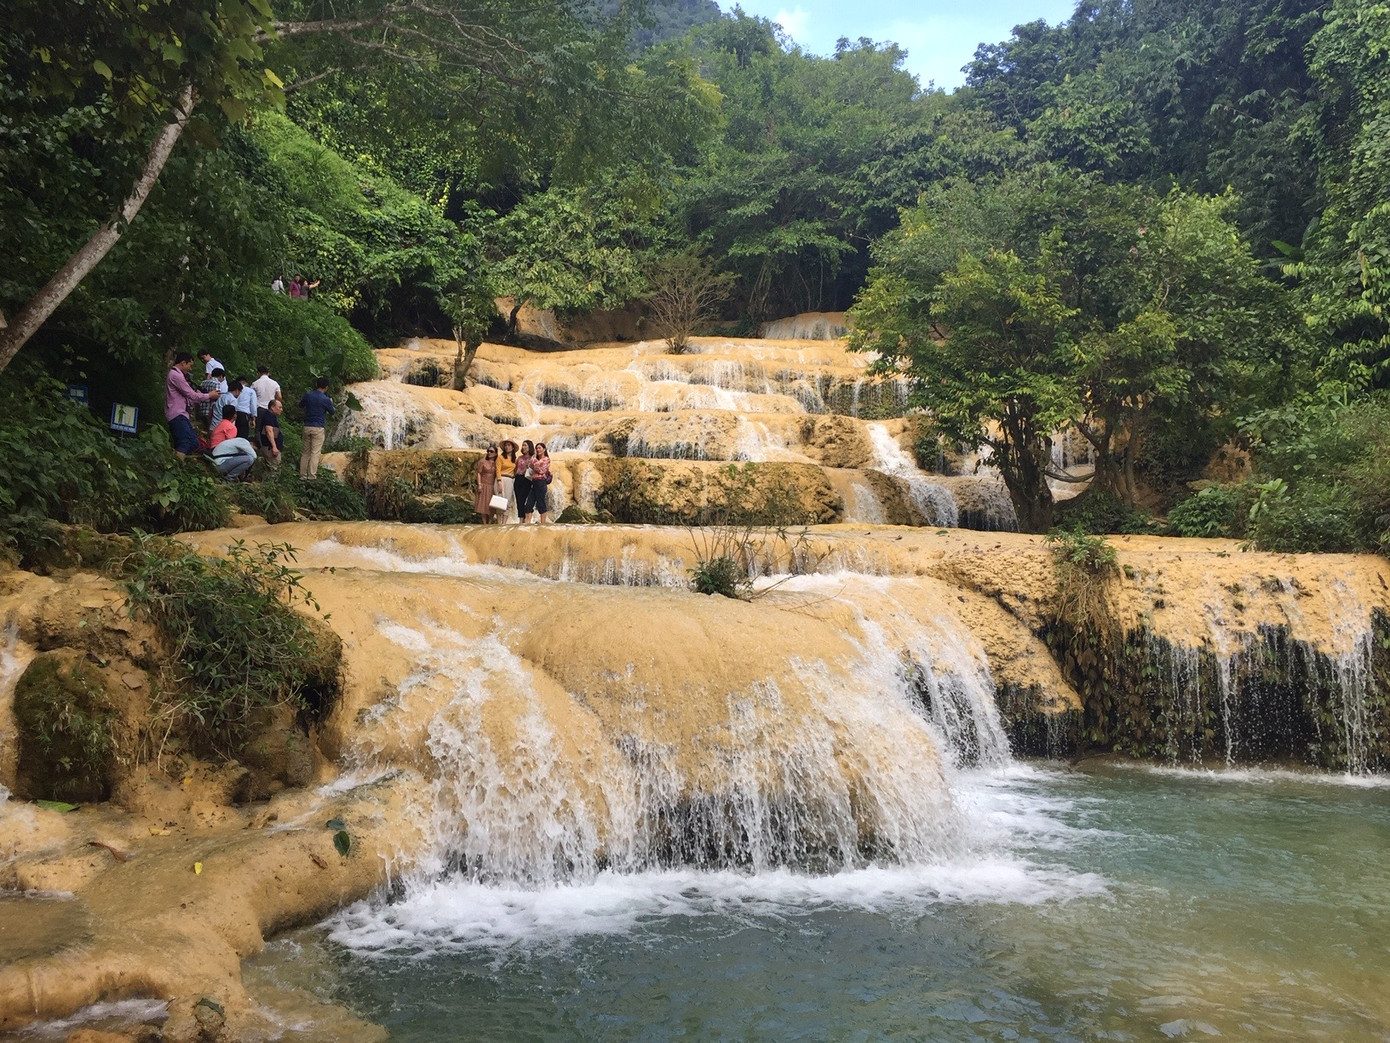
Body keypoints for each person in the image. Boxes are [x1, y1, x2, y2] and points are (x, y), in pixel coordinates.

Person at [166, 352, 219, 460]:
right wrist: (209, 395)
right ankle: (175, 465)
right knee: (185, 442)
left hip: (182, 414)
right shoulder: (176, 375)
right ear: (183, 363)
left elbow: (190, 397)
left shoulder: (180, 376)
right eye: (190, 365)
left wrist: (202, 395)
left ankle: (178, 462)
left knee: (194, 442)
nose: (190, 369)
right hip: (177, 414)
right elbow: (191, 395)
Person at [299, 376, 335, 479]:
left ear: (317, 385)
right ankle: (311, 476)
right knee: (315, 453)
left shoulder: (308, 395)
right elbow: (332, 412)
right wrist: (331, 403)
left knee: (305, 452)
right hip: (318, 427)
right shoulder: (326, 399)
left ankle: (302, 475)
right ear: (326, 387)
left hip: (307, 426)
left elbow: (301, 405)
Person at [475, 445, 500, 523]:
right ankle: (484, 523)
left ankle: (490, 522)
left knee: (492, 504)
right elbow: (479, 473)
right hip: (484, 484)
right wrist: (479, 484)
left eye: (491, 451)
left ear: (496, 453)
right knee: (483, 503)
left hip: (492, 485)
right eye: (488, 451)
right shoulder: (482, 462)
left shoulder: (497, 463)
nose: (489, 453)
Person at [530, 443, 553, 524]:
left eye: (539, 448)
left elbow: (540, 470)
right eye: (536, 448)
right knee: (529, 504)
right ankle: (526, 525)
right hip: (534, 482)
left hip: (541, 482)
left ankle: (543, 524)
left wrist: (534, 462)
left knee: (541, 503)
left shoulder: (546, 459)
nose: (537, 450)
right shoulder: (536, 459)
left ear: (544, 449)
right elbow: (531, 465)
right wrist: (534, 462)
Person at [259, 398, 284, 468]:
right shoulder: (268, 417)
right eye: (279, 407)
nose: (281, 410)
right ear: (272, 407)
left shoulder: (272, 416)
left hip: (271, 447)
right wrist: (274, 447)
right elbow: (269, 431)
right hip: (270, 448)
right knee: (274, 468)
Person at [497, 439, 518, 521]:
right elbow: (498, 470)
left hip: (510, 480)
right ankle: (499, 523)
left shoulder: (514, 459)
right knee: (499, 501)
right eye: (506, 445)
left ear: (512, 448)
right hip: (501, 479)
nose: (507, 447)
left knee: (507, 501)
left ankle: (504, 523)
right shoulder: (500, 457)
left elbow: (515, 471)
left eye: (509, 445)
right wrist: (499, 481)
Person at [514, 440, 535, 524]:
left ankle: (526, 518)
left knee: (523, 499)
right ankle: (521, 519)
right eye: (523, 445)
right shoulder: (519, 458)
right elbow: (516, 469)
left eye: (525, 445)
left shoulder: (533, 458)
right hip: (518, 479)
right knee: (518, 500)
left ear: (530, 447)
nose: (524, 447)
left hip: (527, 479)